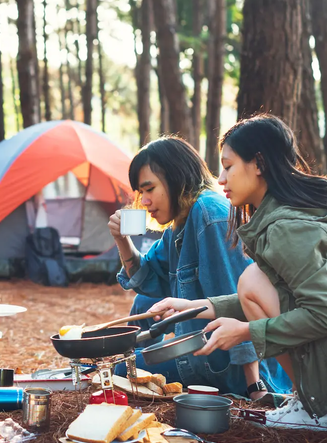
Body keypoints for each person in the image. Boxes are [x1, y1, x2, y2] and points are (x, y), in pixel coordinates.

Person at [149, 114, 327, 432]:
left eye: (228, 166)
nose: (221, 179)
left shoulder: (286, 226)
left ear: (258, 163)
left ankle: (313, 410)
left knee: (252, 280)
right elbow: (281, 296)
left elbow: (325, 314)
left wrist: (244, 332)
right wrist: (198, 308)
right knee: (257, 282)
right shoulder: (313, 204)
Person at [108, 137, 290, 399]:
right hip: (205, 351)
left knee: (121, 372)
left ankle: (132, 362)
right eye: (141, 193)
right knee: (144, 302)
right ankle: (133, 358)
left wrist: (255, 387)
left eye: (150, 189)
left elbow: (240, 299)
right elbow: (147, 278)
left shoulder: (208, 214)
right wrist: (122, 241)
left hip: (228, 365)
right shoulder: (180, 223)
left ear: (176, 177)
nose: (144, 201)